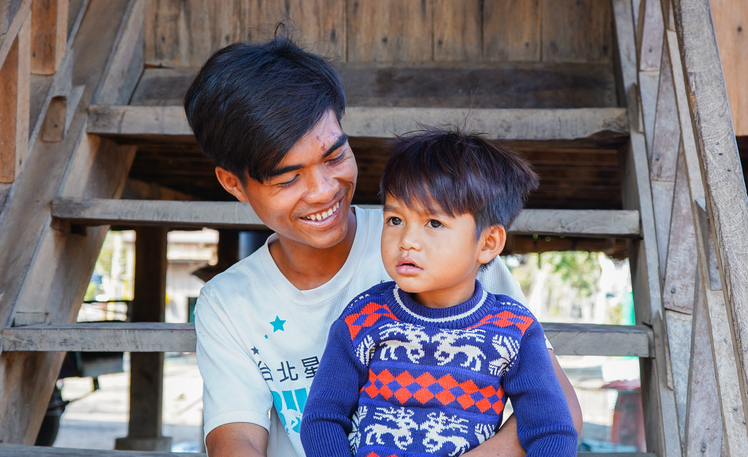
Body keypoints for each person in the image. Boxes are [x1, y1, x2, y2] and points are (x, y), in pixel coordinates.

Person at [183, 32, 582, 457]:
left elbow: (558, 413)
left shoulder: (453, 249)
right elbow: (237, 440)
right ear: (233, 183)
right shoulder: (228, 303)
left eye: (335, 157)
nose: (322, 191)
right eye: (287, 178)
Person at [300, 128, 579, 457]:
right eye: (394, 219)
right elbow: (322, 419)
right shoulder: (364, 317)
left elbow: (553, 430)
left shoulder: (514, 331)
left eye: (433, 223)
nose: (406, 241)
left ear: (488, 243)